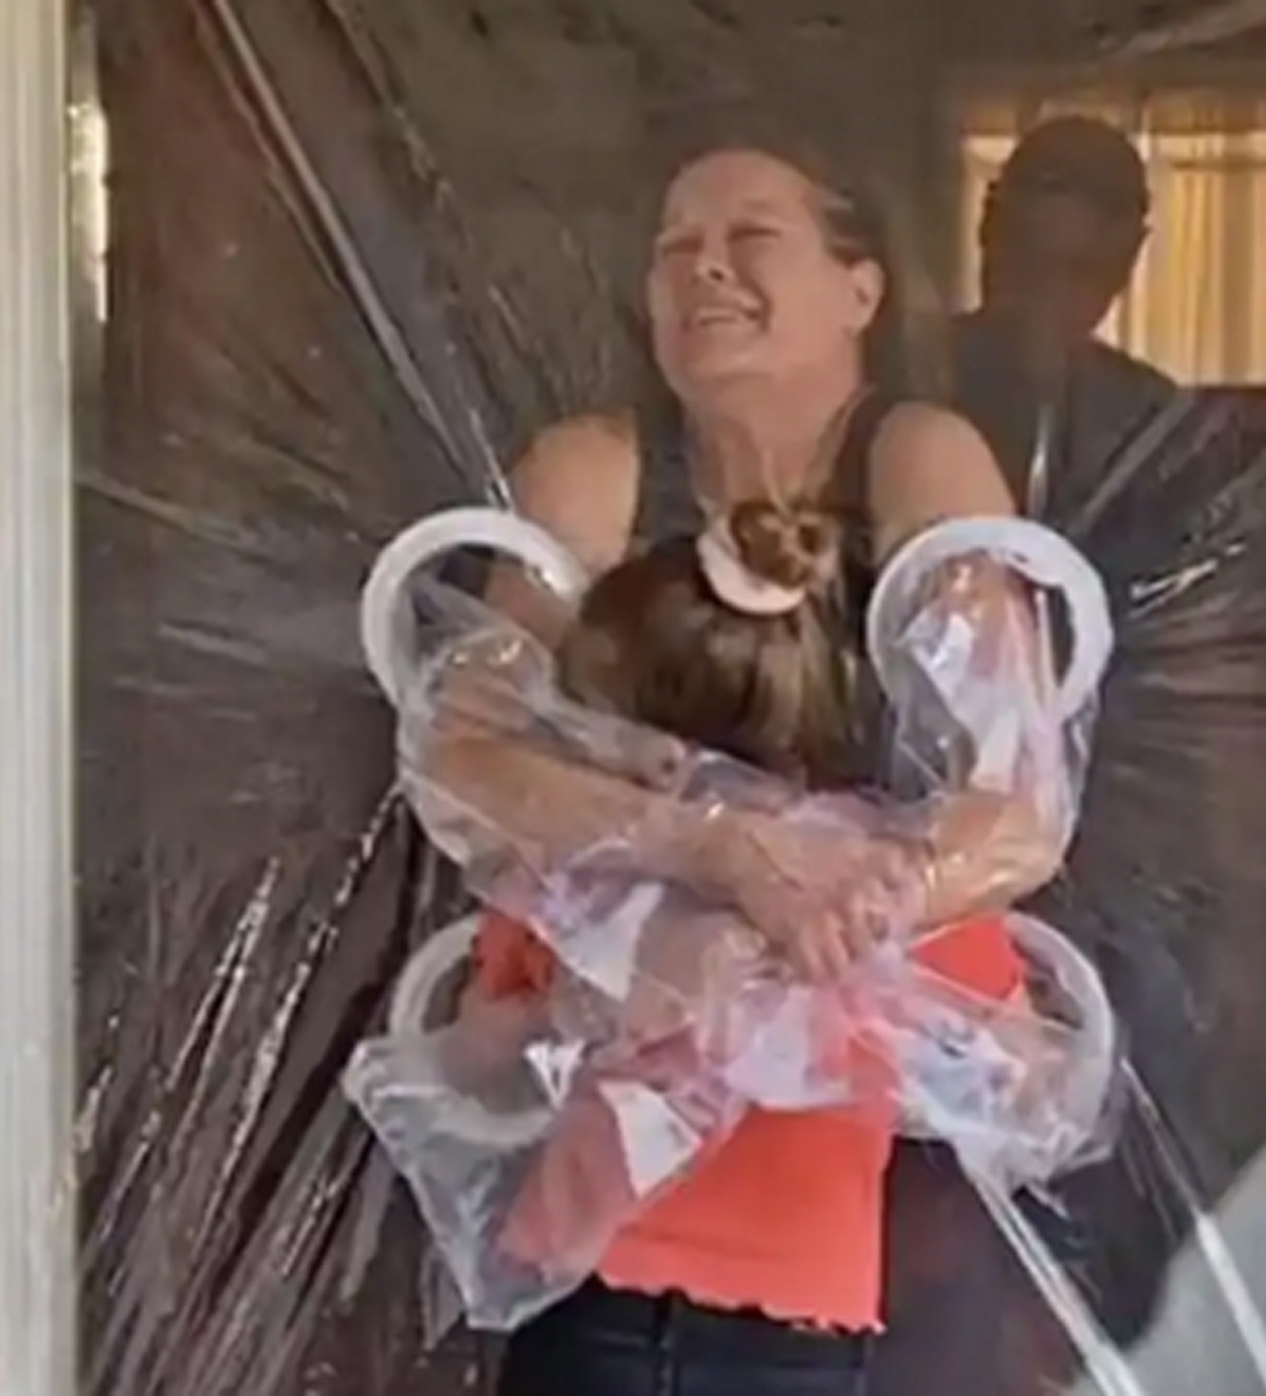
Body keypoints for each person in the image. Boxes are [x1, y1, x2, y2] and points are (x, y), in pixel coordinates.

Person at [418, 127, 1073, 1394]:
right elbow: (463, 760)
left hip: (857, 1215)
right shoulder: (594, 470)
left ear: (861, 288)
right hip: (624, 1243)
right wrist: (717, 858)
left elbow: (1019, 813)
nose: (702, 269)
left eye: (748, 237)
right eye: (674, 247)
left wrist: (804, 927)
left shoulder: (916, 457)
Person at [458, 500, 1039, 1396]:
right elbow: (1029, 1087)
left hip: (589, 1293)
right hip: (800, 1318)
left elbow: (476, 1059)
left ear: (630, 741)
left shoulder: (578, 868)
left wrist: (587, 1008)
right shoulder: (889, 883)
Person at [950, 116, 1183, 518]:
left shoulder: (1153, 423)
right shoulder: (897, 380)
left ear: (1129, 260)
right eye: (1028, 267)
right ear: (988, 226)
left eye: (1080, 273)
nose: (1047, 301)